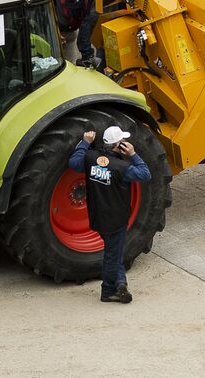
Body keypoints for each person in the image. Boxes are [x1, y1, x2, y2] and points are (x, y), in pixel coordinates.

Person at [69, 125, 151, 302]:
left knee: (115, 251)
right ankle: (107, 291)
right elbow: (145, 174)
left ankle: (121, 281)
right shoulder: (122, 167)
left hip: (97, 217)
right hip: (116, 220)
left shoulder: (90, 158)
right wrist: (133, 155)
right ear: (119, 145)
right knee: (112, 255)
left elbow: (74, 163)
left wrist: (84, 143)